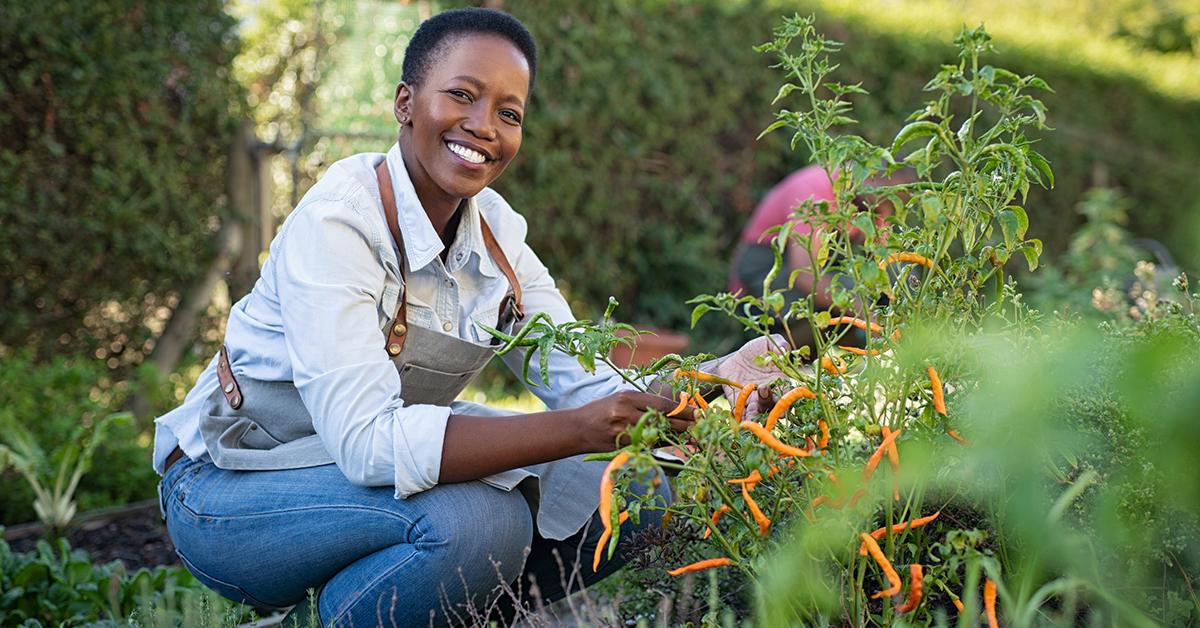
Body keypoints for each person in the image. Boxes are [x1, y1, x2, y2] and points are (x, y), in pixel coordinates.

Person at [154, 8, 786, 627]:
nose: (485, 126)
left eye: (509, 114)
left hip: (351, 481)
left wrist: (714, 384)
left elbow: (591, 386)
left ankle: (444, 615)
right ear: (405, 103)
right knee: (481, 523)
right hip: (230, 489)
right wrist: (578, 431)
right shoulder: (339, 225)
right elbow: (367, 443)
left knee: (641, 490)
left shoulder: (499, 241)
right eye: (462, 95)